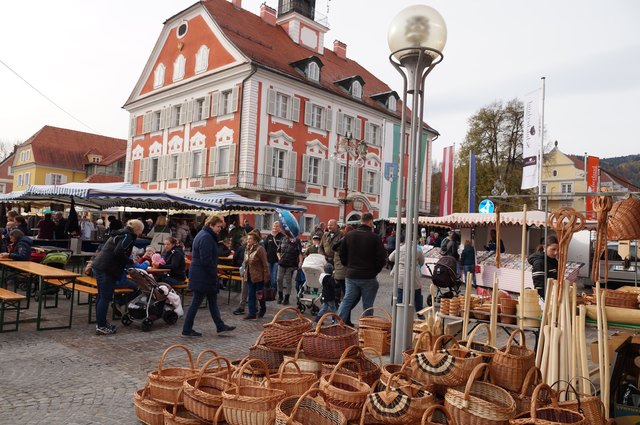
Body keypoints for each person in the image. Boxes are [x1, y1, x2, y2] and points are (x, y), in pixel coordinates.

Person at [182, 215, 235, 337]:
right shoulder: (206, 237)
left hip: (202, 273)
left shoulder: (204, 235)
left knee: (212, 301)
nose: (219, 229)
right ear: (211, 225)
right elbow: (206, 259)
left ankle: (220, 326)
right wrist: (213, 273)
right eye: (218, 227)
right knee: (196, 302)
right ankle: (186, 329)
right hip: (203, 274)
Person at [91, 219, 144, 335]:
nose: (140, 234)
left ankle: (101, 323)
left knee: (101, 297)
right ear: (138, 229)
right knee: (104, 298)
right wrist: (129, 261)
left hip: (100, 265)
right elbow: (118, 252)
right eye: (141, 231)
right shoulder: (128, 236)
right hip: (107, 268)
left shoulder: (121, 233)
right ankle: (101, 326)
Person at [336, 213, 387, 323]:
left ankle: (337, 324)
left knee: (347, 301)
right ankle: (366, 329)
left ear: (361, 221)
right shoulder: (375, 238)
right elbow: (382, 258)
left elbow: (342, 253)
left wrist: (348, 265)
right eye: (372, 223)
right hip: (369, 276)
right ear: (370, 222)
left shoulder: (349, 235)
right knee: (368, 305)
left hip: (351, 275)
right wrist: (375, 271)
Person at [388, 234, 425, 318]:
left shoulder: (399, 249)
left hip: (401, 274)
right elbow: (422, 262)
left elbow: (390, 258)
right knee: (417, 294)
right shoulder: (417, 250)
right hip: (414, 275)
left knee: (400, 292)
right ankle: (420, 314)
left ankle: (398, 315)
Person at [242, 230, 270, 320]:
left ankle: (263, 308)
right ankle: (252, 313)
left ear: (255, 240)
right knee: (251, 295)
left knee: (259, 295)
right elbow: (246, 262)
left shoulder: (260, 249)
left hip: (259, 276)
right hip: (249, 275)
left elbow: (265, 263)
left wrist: (266, 276)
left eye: (250, 239)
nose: (248, 240)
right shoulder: (247, 249)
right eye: (248, 239)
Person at [277, 232, 302, 305]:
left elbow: (300, 253)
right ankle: (280, 296)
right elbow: (278, 251)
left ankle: (286, 298)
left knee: (288, 281)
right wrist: (279, 258)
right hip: (282, 263)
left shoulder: (297, 241)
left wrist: (300, 262)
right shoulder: (282, 239)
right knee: (279, 279)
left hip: (291, 264)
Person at [264, 221, 284, 292]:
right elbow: (265, 248)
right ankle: (268, 291)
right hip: (269, 260)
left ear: (280, 228)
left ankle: (274, 292)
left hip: (277, 260)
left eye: (277, 226)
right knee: (268, 277)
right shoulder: (269, 236)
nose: (275, 227)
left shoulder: (282, 237)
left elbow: (283, 249)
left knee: (274, 278)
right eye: (274, 226)